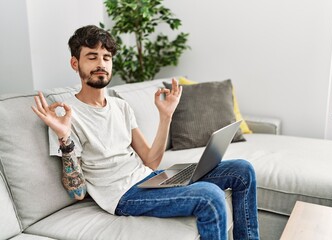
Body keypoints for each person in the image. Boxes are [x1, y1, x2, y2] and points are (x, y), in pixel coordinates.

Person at [31, 25, 259, 240]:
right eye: (92, 57)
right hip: (124, 196)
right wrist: (64, 136)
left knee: (242, 170)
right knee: (210, 196)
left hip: (150, 178)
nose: (101, 63)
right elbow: (78, 192)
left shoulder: (120, 106)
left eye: (106, 57)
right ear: (75, 63)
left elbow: (150, 161)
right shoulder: (66, 116)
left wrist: (166, 116)